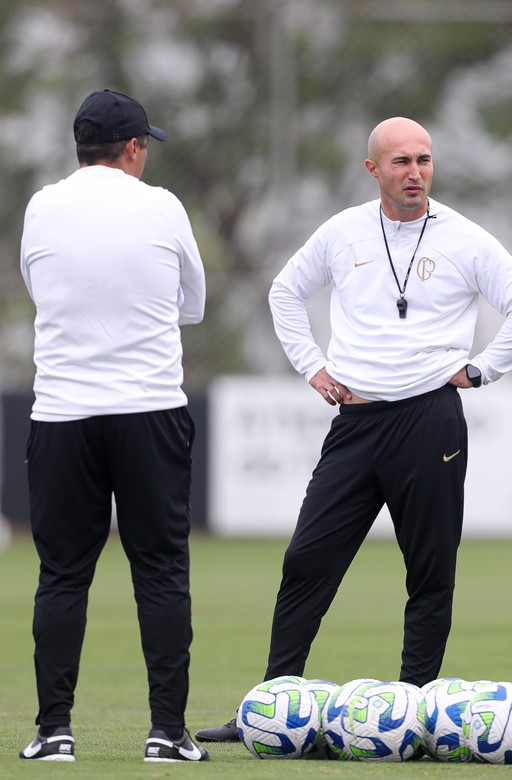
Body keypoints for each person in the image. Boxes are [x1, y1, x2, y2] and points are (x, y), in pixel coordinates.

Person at [195, 116, 512, 743]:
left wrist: (481, 370)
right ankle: (273, 706)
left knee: (429, 570)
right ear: (373, 170)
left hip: (429, 417)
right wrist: (312, 366)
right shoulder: (342, 231)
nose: (415, 173)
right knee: (307, 559)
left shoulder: (465, 239)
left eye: (424, 160)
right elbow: (284, 292)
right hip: (355, 421)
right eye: (401, 163)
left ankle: (414, 715)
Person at [18, 89, 209, 763]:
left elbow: (41, 287)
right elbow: (194, 303)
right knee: (159, 570)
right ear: (133, 148)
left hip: (64, 412)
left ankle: (53, 732)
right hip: (148, 408)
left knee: (63, 573)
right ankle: (166, 733)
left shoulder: (42, 205)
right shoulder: (161, 206)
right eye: (144, 146)